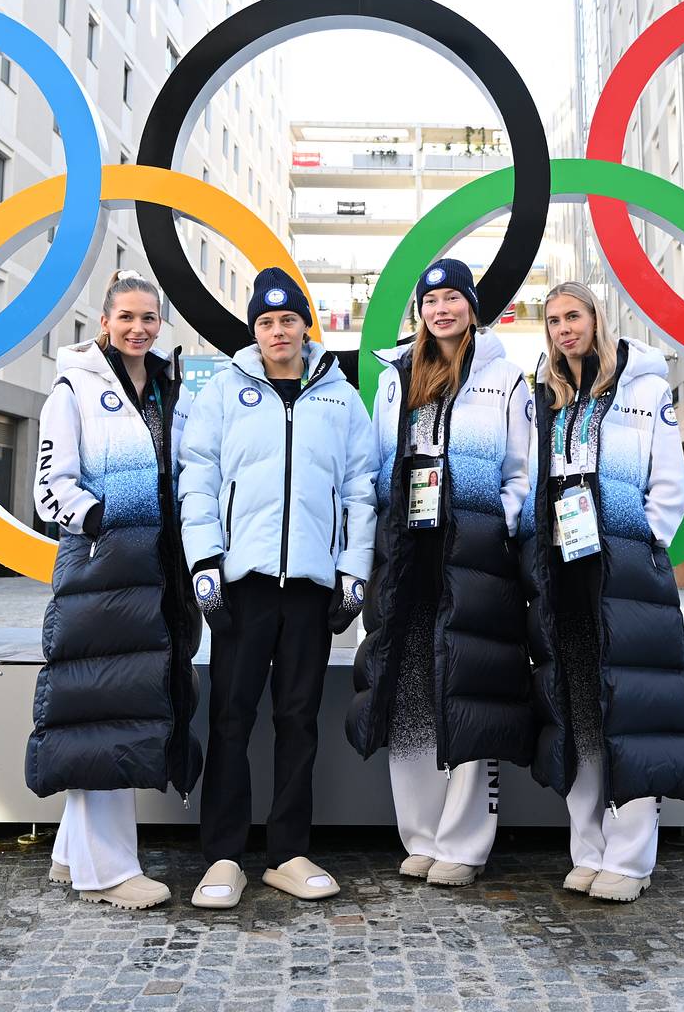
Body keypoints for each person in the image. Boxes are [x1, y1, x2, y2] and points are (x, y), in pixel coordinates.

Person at [178, 267, 377, 909]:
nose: (277, 332)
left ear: (304, 325)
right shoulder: (225, 392)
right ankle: (223, 857)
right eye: (265, 322)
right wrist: (205, 559)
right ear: (254, 331)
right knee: (231, 717)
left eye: (288, 319)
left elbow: (359, 487)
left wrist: (353, 572)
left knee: (298, 720)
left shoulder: (339, 396)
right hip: (243, 583)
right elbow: (199, 476)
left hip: (311, 587)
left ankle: (288, 851)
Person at [346, 258, 532, 889]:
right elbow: (376, 465)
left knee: (466, 692)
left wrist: (494, 527)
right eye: (432, 300)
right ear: (419, 311)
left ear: (472, 307)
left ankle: (464, 841)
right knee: (409, 696)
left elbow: (521, 474)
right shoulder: (397, 375)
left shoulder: (505, 379)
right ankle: (420, 834)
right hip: (407, 559)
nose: (442, 309)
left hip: (471, 561)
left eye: (453, 298)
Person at [519, 282, 684, 904]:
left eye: (573, 316)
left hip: (624, 571)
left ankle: (630, 855)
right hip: (565, 572)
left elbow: (669, 479)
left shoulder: (646, 387)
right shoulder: (547, 396)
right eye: (552, 321)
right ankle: (588, 847)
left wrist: (646, 539)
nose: (563, 329)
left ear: (598, 319)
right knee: (579, 712)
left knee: (630, 710)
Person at [25, 270, 201, 911]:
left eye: (148, 319)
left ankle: (74, 857)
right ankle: (109, 873)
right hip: (102, 571)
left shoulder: (165, 390)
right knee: (103, 707)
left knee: (111, 704)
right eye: (126, 317)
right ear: (104, 322)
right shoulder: (71, 390)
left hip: (155, 571)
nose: (137, 328)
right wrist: (104, 523)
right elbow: (50, 487)